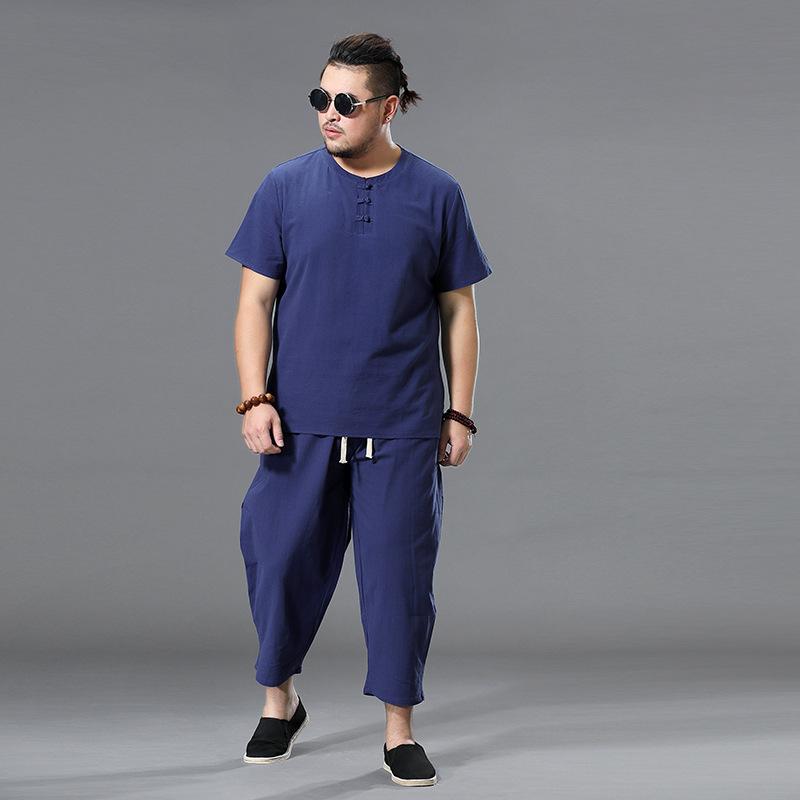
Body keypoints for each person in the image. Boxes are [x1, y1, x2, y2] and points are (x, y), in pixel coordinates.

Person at [224, 32, 493, 787]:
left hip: (403, 420)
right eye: (321, 98)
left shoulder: (437, 193)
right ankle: (279, 703)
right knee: (279, 563)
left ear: (389, 106)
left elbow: (459, 310)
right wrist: (255, 397)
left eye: (346, 101)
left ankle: (399, 730)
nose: (329, 113)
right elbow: (254, 301)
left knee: (399, 580)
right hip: (299, 417)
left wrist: (460, 412)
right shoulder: (284, 187)